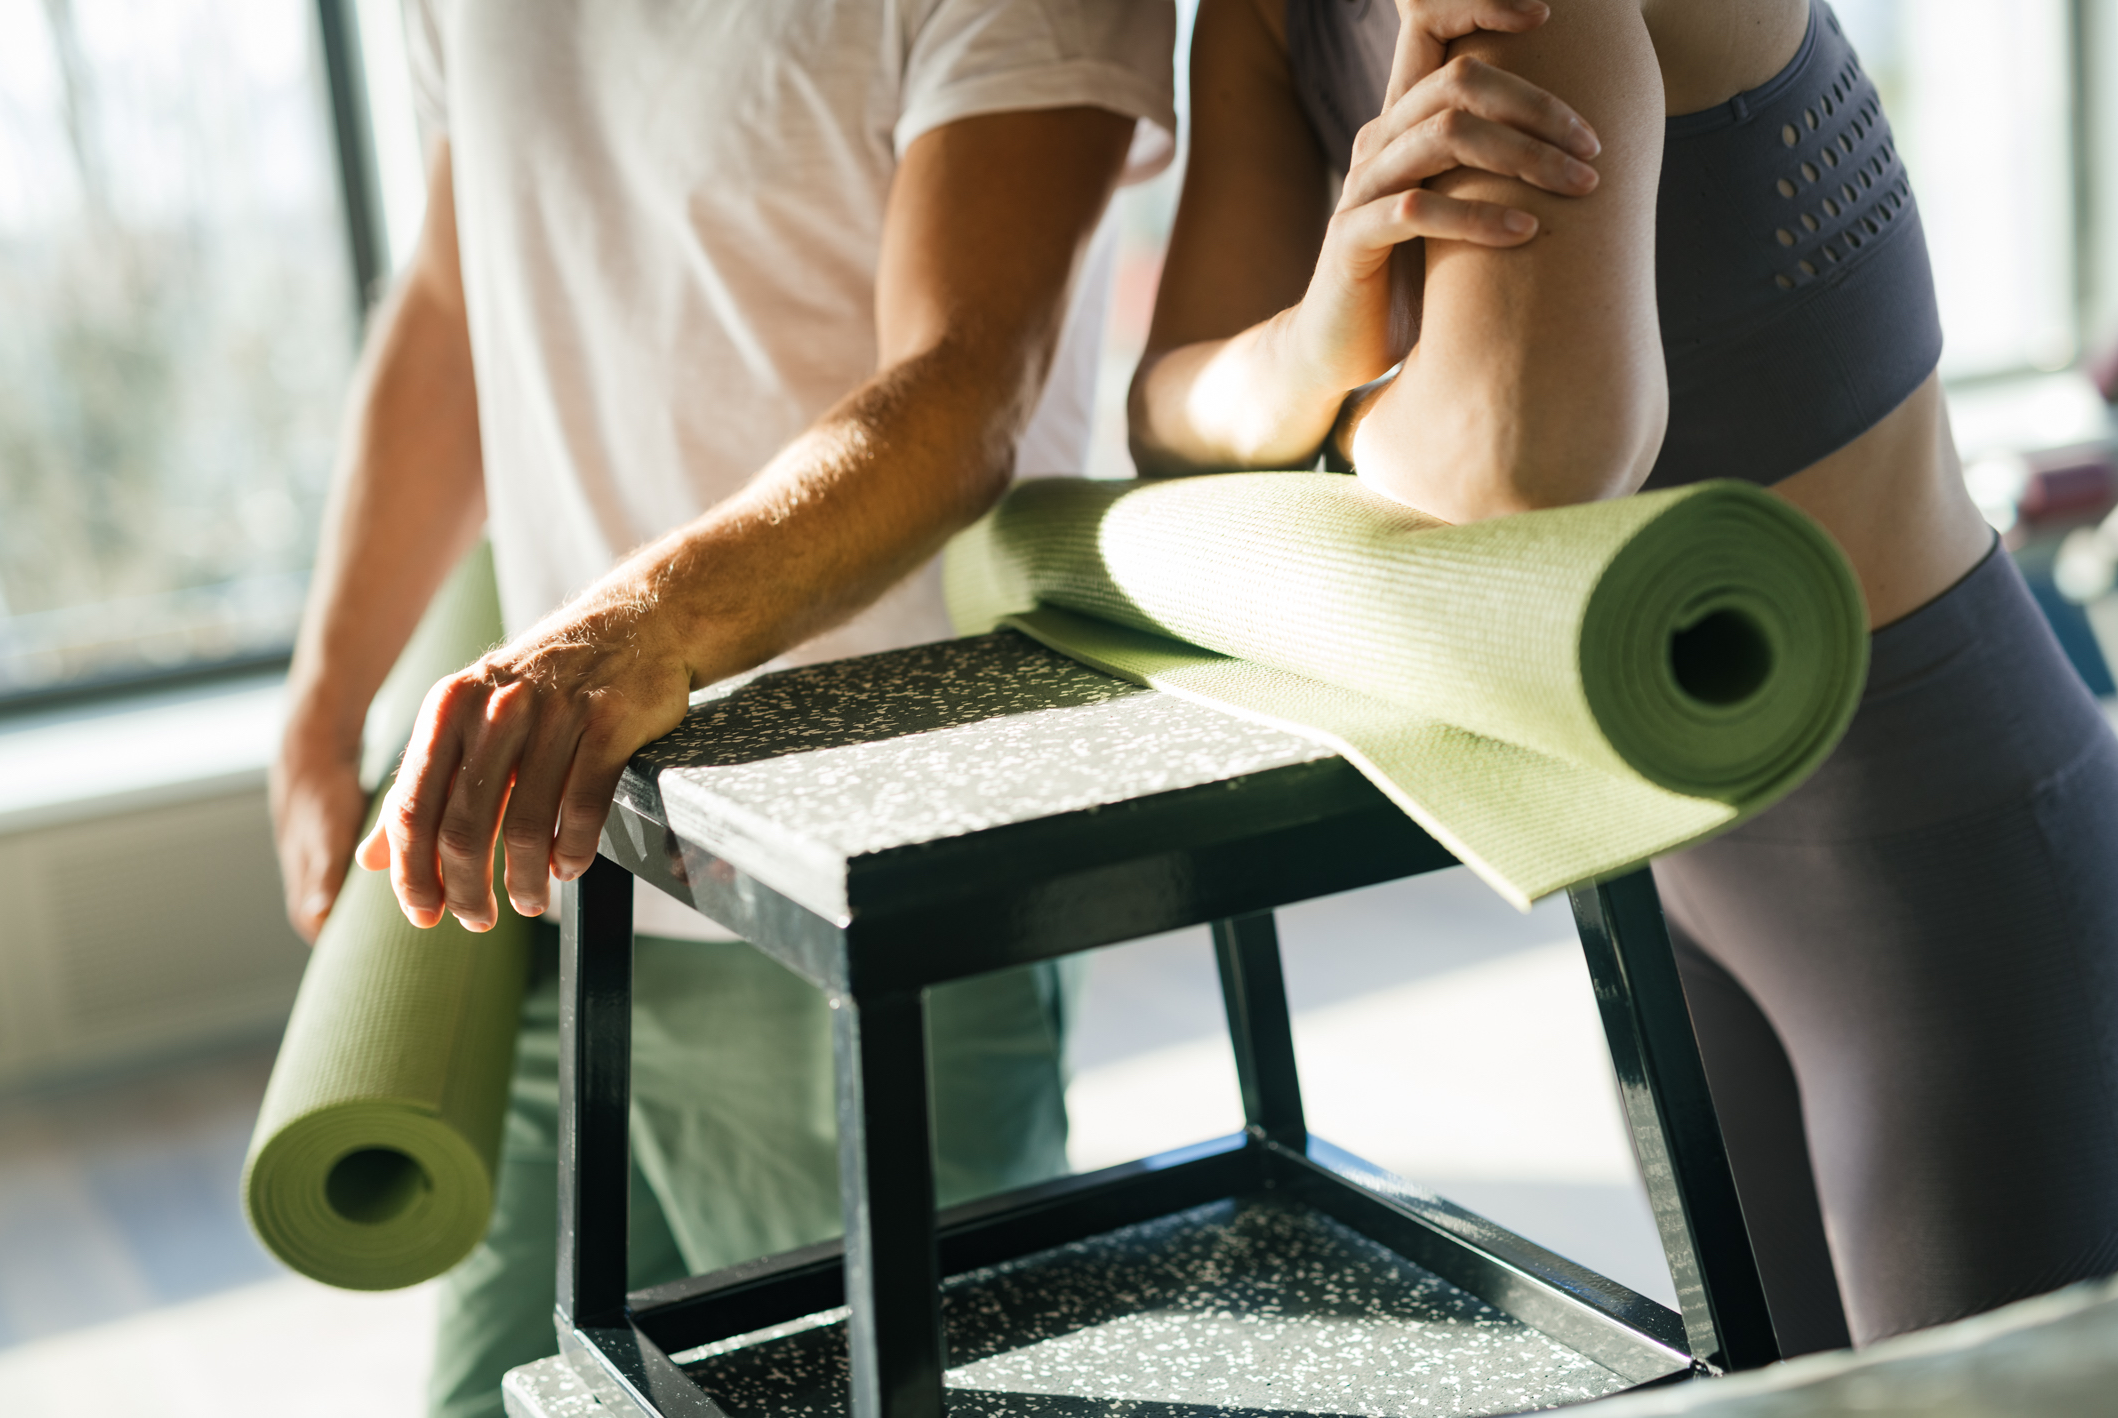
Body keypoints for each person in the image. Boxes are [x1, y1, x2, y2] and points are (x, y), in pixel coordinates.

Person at [1131, 0, 2118, 1357]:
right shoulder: (1266, 15)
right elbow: (1168, 417)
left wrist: (1320, 409)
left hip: (1937, 843)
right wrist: (1329, 328)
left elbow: (1524, 457)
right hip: (1663, 846)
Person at [268, 3, 1174, 1413]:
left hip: (856, 886)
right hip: (544, 881)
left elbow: (966, 382)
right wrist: (325, 705)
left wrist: (635, 632)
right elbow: (455, 301)